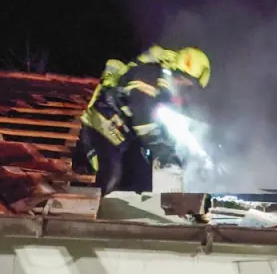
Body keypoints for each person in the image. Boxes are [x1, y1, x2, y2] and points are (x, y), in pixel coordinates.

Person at [76, 45, 211, 194]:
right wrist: (162, 150)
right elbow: (143, 117)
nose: (185, 84)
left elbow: (164, 124)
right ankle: (83, 213)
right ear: (174, 69)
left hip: (122, 137)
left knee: (140, 183)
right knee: (111, 177)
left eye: (190, 84)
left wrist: (177, 154)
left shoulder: (165, 89)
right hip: (101, 130)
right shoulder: (149, 74)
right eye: (184, 78)